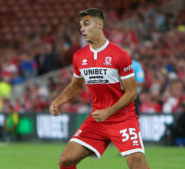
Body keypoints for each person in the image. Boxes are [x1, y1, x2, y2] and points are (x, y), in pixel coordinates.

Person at [49, 8, 149, 169]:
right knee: (66, 159)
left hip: (123, 118)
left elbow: (132, 93)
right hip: (98, 119)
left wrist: (108, 111)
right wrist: (58, 101)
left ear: (99, 25)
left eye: (86, 24)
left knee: (136, 162)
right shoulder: (79, 56)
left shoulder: (120, 55)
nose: (82, 28)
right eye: (81, 25)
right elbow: (76, 85)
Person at [123, 47, 145, 115]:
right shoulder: (116, 65)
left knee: (133, 116)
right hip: (120, 96)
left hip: (132, 96)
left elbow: (140, 83)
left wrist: (126, 85)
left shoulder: (136, 65)